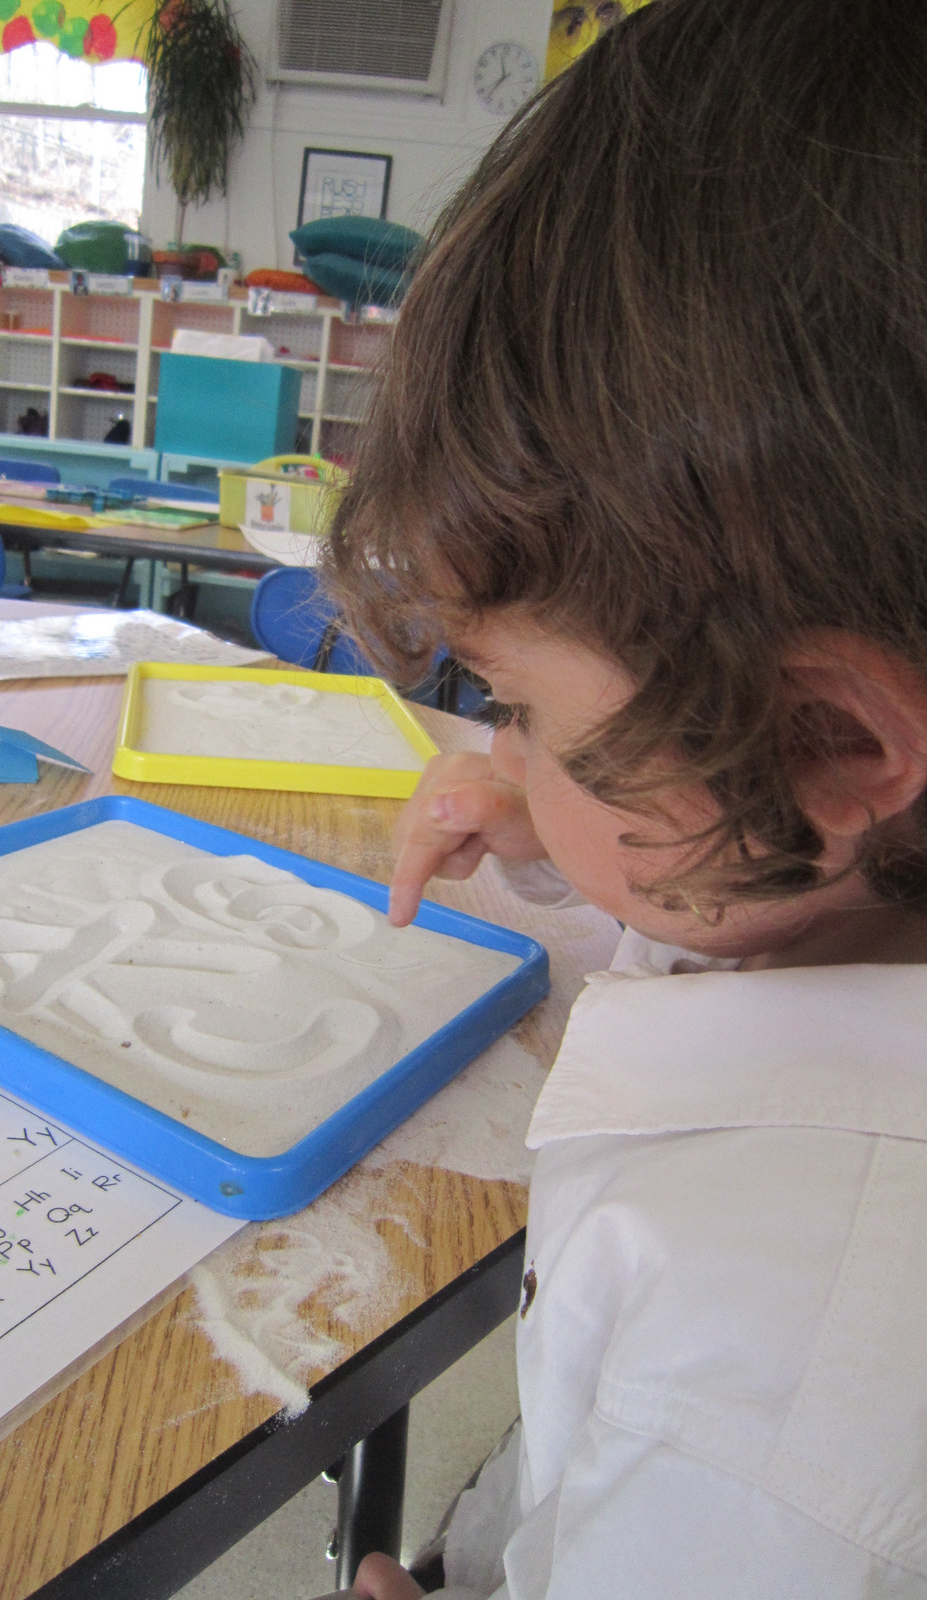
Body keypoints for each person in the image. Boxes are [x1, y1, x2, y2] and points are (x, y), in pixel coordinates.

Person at [319, 0, 927, 1595]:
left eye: (516, 706)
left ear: (833, 744)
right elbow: (715, 911)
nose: (495, 752)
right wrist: (554, 833)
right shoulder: (846, 902)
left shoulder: (766, 1413)